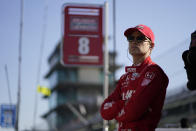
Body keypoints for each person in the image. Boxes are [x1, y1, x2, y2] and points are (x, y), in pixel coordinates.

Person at [100, 24, 169, 131]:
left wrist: (117, 114)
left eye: (140, 38)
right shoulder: (125, 77)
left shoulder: (154, 72)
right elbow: (104, 111)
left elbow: (133, 111)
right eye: (131, 38)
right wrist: (125, 103)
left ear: (151, 46)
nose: (134, 41)